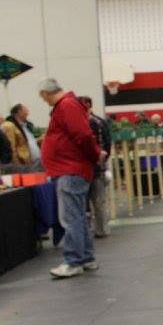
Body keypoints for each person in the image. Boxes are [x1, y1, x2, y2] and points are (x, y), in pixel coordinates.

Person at [38, 79, 102, 279]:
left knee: (71, 217)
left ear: (45, 93)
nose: (44, 100)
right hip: (74, 168)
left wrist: (94, 155)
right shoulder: (69, 104)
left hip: (69, 169)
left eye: (42, 97)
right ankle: (86, 257)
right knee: (78, 216)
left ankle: (73, 261)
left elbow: (83, 135)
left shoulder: (66, 105)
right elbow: (82, 135)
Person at [78, 96, 113, 238]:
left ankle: (90, 231)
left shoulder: (87, 123)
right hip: (98, 166)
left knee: (87, 202)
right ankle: (102, 229)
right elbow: (108, 143)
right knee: (99, 201)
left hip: (89, 168)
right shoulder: (100, 121)